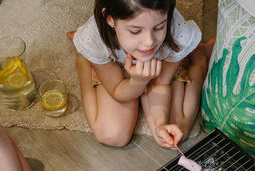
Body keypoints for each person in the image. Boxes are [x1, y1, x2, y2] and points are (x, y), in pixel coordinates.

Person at [71, 0, 212, 148]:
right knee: (112, 135)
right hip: (114, 66)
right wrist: (137, 82)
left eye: (159, 27)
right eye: (135, 31)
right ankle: (83, 58)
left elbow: (161, 84)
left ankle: (199, 58)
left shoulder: (177, 32)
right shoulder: (95, 38)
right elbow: (117, 90)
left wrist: (160, 124)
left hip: (161, 62)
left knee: (172, 135)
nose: (149, 42)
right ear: (110, 19)